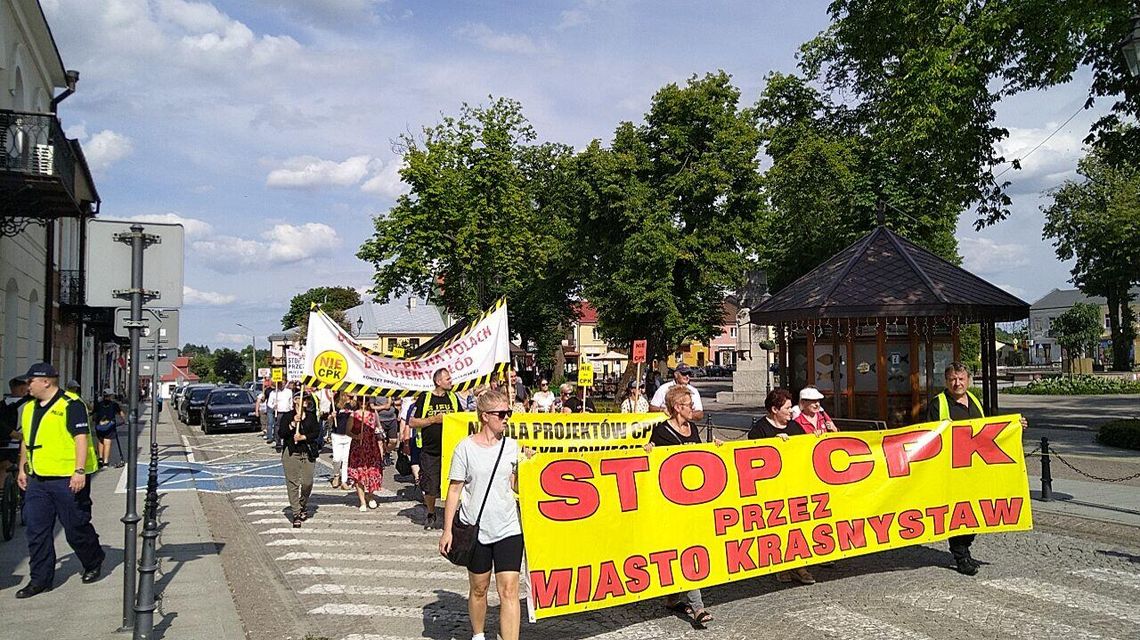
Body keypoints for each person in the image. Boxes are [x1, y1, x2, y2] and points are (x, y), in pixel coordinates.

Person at [922, 361, 1026, 576]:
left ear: (968, 380)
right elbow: (929, 436)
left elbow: (987, 432)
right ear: (946, 381)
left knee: (975, 513)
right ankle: (961, 557)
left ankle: (965, 548)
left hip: (975, 471)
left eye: (961, 379)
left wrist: (1015, 426)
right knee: (959, 514)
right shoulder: (938, 404)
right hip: (952, 470)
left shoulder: (975, 402)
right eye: (952, 379)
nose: (957, 383)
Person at [439, 388, 525, 640]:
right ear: (485, 416)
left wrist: (528, 467)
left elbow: (515, 485)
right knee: (479, 588)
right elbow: (454, 490)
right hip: (476, 528)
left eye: (508, 413)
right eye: (502, 414)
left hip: (509, 527)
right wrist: (447, 530)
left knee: (509, 590)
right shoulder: (465, 448)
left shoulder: (512, 447)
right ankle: (478, 634)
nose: (507, 418)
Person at [15, 362, 104, 598]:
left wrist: (79, 471)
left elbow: (81, 438)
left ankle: (93, 559)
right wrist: (22, 469)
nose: (27, 385)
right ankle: (40, 580)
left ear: (46, 382)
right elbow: (26, 440)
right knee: (36, 530)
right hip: (38, 479)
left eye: (30, 381)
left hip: (67, 479)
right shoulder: (29, 408)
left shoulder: (71, 404)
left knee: (75, 528)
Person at [643, 385, 722, 627]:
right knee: (687, 550)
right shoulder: (661, 432)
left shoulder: (693, 428)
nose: (693, 409)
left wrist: (715, 448)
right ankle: (698, 608)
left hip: (694, 502)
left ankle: (672, 598)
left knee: (683, 549)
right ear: (678, 407)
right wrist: (648, 452)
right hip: (671, 504)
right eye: (689, 405)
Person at [745, 387, 816, 585]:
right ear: (774, 410)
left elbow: (805, 451)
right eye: (787, 408)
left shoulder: (794, 427)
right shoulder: (759, 430)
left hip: (794, 486)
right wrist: (772, 446)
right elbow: (752, 458)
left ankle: (800, 566)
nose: (791, 411)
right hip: (772, 489)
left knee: (798, 527)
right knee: (778, 528)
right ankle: (781, 565)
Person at [409, 368, 460, 529]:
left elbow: (462, 418)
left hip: (451, 451)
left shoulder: (453, 398)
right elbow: (412, 422)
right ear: (438, 381)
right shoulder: (425, 398)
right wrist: (433, 420)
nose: (451, 381)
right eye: (447, 378)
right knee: (430, 486)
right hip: (430, 451)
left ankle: (451, 516)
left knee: (453, 485)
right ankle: (431, 512)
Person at [280, 391, 320, 527]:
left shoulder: (311, 416)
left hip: (307, 453)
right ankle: (296, 513)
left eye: (307, 399)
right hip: (292, 453)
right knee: (293, 483)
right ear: (296, 400)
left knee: (307, 482)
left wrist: (304, 437)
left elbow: (316, 432)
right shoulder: (287, 416)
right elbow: (281, 433)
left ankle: (302, 504)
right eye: (303, 398)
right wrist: (292, 424)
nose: (306, 401)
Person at [347, 395, 384, 512]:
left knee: (372, 472)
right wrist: (356, 436)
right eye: (361, 400)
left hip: (372, 447)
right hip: (358, 447)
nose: (363, 402)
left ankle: (370, 495)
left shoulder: (373, 414)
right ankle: (362, 501)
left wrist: (381, 443)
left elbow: (379, 428)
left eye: (367, 400)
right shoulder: (353, 415)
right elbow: (348, 431)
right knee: (359, 474)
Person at [0, 376, 30, 492]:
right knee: (22, 467)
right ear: (23, 389)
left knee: (3, 468)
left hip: (4, 444)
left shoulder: (2, 404)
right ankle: (22, 492)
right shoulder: (29, 404)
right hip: (20, 443)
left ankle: (2, 495)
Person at [92, 388, 126, 468]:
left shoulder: (98, 404)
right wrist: (124, 421)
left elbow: (94, 414)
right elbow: (121, 413)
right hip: (109, 426)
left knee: (101, 441)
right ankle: (106, 462)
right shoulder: (114, 404)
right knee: (107, 442)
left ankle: (100, 458)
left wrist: (95, 421)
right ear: (110, 396)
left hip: (99, 426)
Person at [373, 396, 400, 464]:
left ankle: (387, 453)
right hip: (380, 420)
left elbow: (399, 401)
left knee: (393, 441)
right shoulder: (374, 394)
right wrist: (384, 406)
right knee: (380, 442)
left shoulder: (390, 392)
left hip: (392, 419)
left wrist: (399, 412)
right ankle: (380, 461)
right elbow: (372, 407)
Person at [267, 381, 293, 447]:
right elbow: (269, 403)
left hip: (287, 411)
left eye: (283, 383)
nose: (281, 385)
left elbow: (291, 402)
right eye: (280, 383)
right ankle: (278, 441)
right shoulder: (273, 393)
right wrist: (273, 406)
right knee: (277, 426)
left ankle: (287, 441)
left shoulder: (289, 392)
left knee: (288, 426)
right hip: (279, 412)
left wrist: (291, 409)